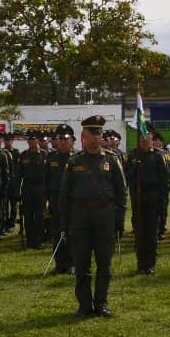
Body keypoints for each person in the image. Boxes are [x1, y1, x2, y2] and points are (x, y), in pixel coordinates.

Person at [59, 115, 127, 318]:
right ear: (83, 137)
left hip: (104, 217)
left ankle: (101, 303)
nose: (96, 138)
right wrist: (64, 223)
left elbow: (122, 192)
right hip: (80, 217)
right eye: (92, 134)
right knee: (82, 265)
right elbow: (64, 195)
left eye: (99, 134)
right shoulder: (74, 162)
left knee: (104, 265)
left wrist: (120, 219)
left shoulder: (112, 160)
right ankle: (84, 305)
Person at [124, 128, 169, 274]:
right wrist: (134, 169)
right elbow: (126, 177)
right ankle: (140, 263)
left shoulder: (158, 156)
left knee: (151, 233)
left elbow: (165, 180)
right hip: (138, 199)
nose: (144, 140)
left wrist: (162, 202)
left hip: (153, 197)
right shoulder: (132, 156)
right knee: (139, 233)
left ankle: (150, 264)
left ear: (152, 139)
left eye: (147, 137)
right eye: (141, 138)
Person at [45, 125, 76, 273]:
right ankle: (59, 263)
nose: (62, 142)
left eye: (65, 139)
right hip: (55, 198)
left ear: (72, 141)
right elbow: (45, 180)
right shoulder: (51, 158)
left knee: (71, 232)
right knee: (56, 232)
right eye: (60, 139)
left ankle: (71, 263)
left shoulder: (77, 158)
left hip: (72, 199)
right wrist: (45, 201)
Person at [17, 132, 48, 249]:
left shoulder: (45, 155)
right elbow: (18, 174)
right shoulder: (23, 155)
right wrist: (17, 191)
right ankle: (30, 239)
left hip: (40, 188)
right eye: (29, 139)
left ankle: (39, 240)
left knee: (40, 215)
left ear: (37, 141)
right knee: (28, 215)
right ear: (27, 141)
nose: (31, 141)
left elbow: (49, 175)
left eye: (33, 139)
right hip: (27, 188)